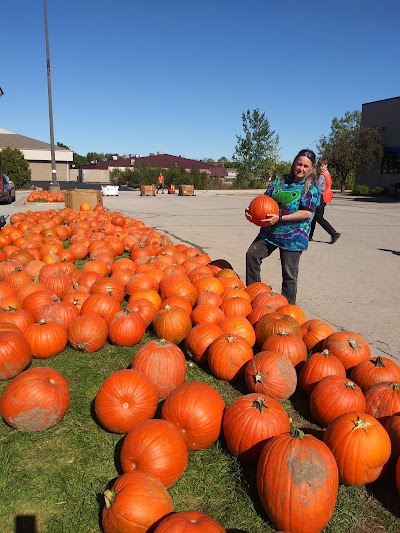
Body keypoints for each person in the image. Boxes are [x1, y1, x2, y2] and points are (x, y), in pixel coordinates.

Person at [245, 149, 320, 305]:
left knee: (289, 275)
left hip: (294, 237)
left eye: (306, 166)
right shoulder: (281, 180)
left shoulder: (311, 187)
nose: (301, 168)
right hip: (270, 232)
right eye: (299, 164)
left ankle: (286, 310)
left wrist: (279, 218)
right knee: (252, 255)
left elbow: (306, 213)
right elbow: (265, 199)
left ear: (311, 168)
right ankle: (254, 295)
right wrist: (251, 211)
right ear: (294, 163)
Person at [309, 158, 341, 244]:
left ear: (326, 165)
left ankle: (333, 233)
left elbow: (317, 186)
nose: (320, 167)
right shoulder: (327, 174)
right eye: (319, 165)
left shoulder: (323, 175)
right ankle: (309, 235)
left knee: (319, 217)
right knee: (314, 217)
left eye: (322, 165)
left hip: (321, 198)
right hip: (324, 197)